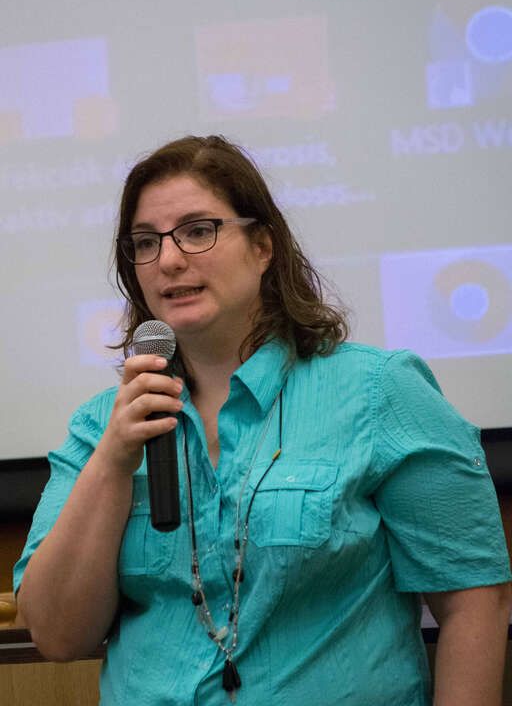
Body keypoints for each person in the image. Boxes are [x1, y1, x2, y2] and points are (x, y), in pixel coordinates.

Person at [14, 135, 511, 705]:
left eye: (198, 231)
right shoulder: (102, 426)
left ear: (263, 247)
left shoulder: (377, 390)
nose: (169, 260)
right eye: (146, 242)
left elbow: (475, 598)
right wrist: (112, 463)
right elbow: (58, 635)